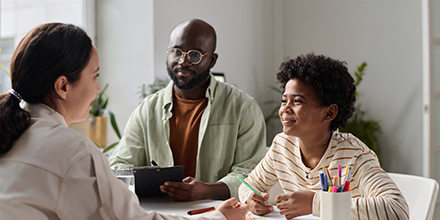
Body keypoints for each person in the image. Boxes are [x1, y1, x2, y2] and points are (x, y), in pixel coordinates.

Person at [0, 23, 249, 220]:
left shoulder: (13, 131)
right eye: (95, 75)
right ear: (63, 86)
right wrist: (220, 217)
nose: (98, 88)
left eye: (194, 55)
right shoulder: (72, 150)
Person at [109, 19, 266, 201]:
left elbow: (251, 173)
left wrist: (208, 191)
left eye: (194, 55)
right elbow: (120, 165)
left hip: (219, 212)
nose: (183, 62)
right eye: (176, 52)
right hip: (159, 211)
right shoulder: (147, 109)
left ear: (212, 60)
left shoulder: (243, 107)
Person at [238, 54, 409, 219]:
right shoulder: (282, 146)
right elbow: (248, 185)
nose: (285, 109)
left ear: (329, 113)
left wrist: (315, 203)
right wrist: (250, 199)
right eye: (284, 100)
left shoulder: (353, 155)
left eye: (297, 101)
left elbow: (397, 209)